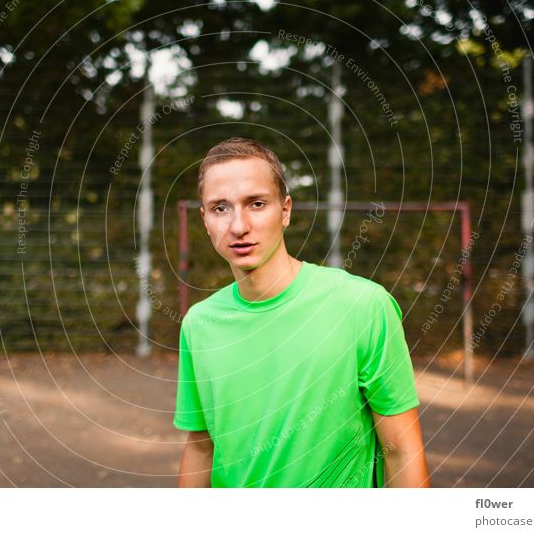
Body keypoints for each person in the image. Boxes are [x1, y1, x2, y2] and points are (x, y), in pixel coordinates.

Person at [173, 137, 430, 488]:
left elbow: (401, 450)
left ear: (286, 210)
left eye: (257, 203)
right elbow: (202, 448)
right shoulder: (199, 324)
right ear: (204, 220)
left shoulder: (362, 305)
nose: (238, 226)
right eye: (220, 208)